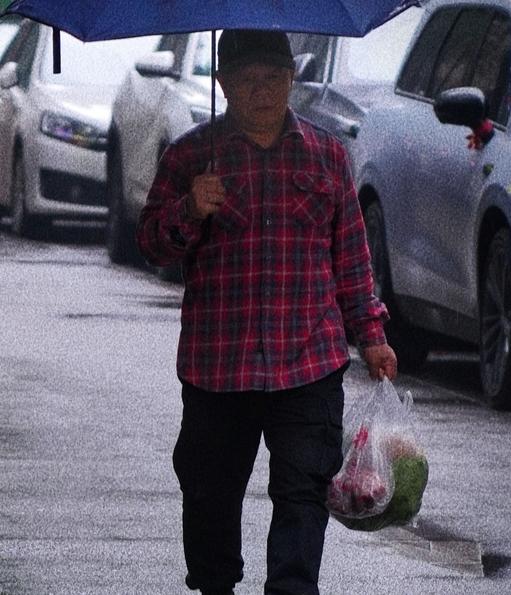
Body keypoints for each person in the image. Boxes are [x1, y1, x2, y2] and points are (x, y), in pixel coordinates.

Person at [135, 29, 397, 595]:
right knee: (209, 496)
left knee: (303, 493)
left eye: (274, 77)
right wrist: (189, 208)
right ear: (223, 83)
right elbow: (152, 245)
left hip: (308, 361)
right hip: (218, 366)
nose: (263, 91)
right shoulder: (189, 156)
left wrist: (371, 335)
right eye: (248, 79)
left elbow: (351, 256)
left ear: (292, 78)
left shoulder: (327, 155)